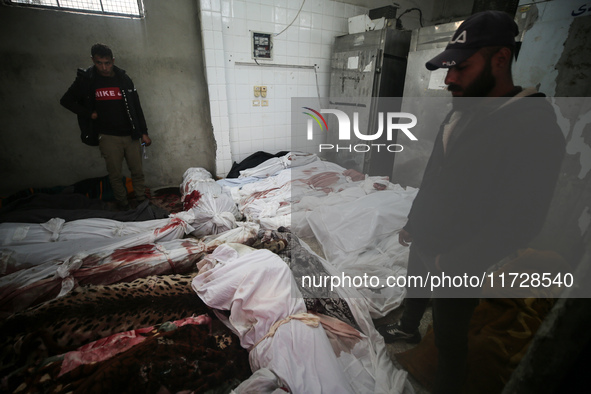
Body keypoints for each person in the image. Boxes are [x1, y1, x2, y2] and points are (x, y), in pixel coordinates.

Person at [377, 10, 565, 394]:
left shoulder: (533, 127)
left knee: (449, 335)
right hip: (429, 235)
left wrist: (458, 260)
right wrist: (415, 220)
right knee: (416, 290)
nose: (449, 79)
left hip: (457, 255)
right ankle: (409, 325)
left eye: (461, 67)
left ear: (499, 59)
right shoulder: (462, 112)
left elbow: (522, 220)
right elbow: (434, 175)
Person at [61, 43, 151, 210]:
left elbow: (136, 107)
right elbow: (66, 100)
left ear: (113, 60)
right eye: (99, 63)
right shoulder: (87, 79)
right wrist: (89, 114)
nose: (104, 67)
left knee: (137, 172)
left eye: (107, 63)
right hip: (108, 136)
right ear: (93, 61)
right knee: (115, 175)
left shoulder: (123, 78)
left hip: (131, 134)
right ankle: (123, 205)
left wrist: (143, 132)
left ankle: (141, 202)